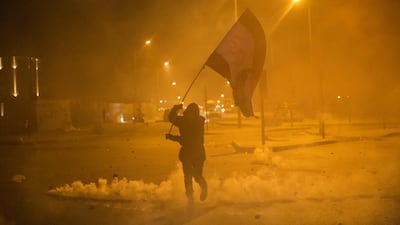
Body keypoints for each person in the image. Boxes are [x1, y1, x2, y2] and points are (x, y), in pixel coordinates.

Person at [166, 103, 207, 204]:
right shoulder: (200, 121)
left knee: (189, 175)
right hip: (199, 152)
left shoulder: (184, 121)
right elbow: (171, 118)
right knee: (193, 175)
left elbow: (185, 139)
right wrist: (176, 108)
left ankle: (191, 196)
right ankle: (193, 194)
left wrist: (172, 137)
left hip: (189, 153)